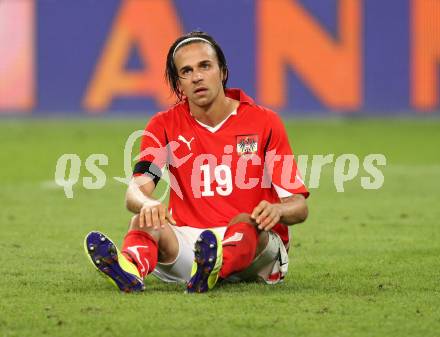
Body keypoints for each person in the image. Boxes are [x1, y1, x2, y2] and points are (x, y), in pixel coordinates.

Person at [84, 31, 309, 293]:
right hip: (194, 249)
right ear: (179, 84)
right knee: (143, 221)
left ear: (222, 72)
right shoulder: (164, 126)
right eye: (186, 71)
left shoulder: (264, 122)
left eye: (205, 66)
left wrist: (278, 211)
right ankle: (131, 269)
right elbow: (135, 190)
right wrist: (147, 203)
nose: (197, 77)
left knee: (247, 222)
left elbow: (299, 206)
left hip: (256, 252)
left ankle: (215, 267)